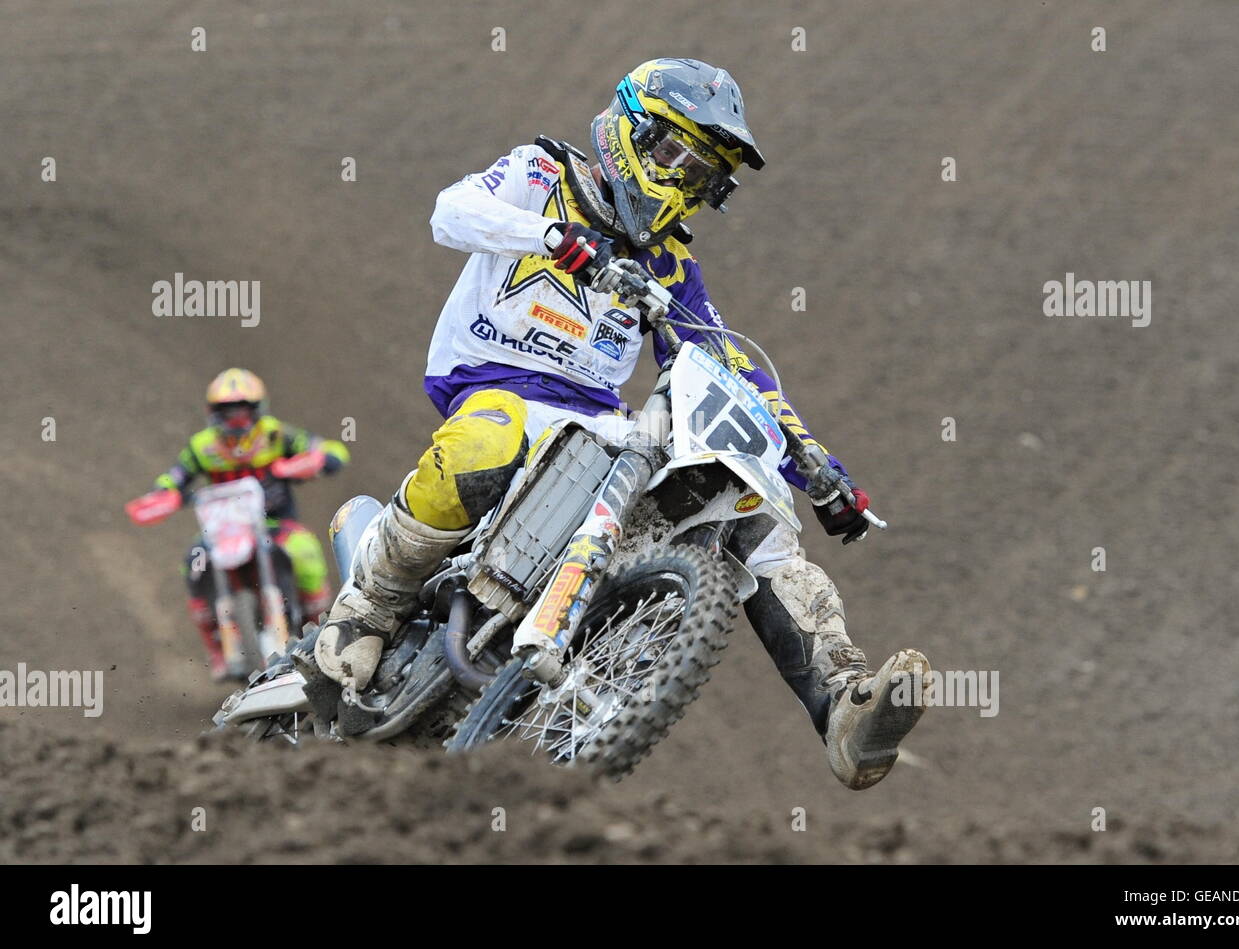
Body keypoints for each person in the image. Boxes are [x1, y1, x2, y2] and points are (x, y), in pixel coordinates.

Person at [315, 58, 929, 789]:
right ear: (631, 132)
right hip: (496, 385)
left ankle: (843, 706)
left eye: (702, 177)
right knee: (488, 437)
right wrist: (551, 240)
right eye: (675, 155)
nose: (683, 182)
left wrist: (818, 468)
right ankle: (369, 607)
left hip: (596, 429)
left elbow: (733, 364)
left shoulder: (669, 265)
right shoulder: (543, 174)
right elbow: (450, 213)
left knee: (748, 509)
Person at [126, 368, 349, 680]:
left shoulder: (276, 435)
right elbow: (175, 476)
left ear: (257, 410)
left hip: (274, 524)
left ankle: (323, 627)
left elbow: (331, 449)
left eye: (242, 412)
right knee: (193, 562)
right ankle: (217, 648)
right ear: (214, 413)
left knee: (306, 550)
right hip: (224, 531)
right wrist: (164, 493)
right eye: (228, 412)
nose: (236, 421)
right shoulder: (202, 446)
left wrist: (316, 459)